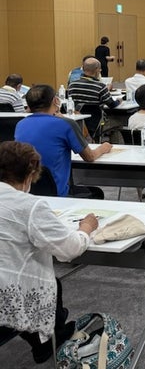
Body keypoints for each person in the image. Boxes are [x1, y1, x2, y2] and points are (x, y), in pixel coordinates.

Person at [0, 141, 98, 364]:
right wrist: (86, 228)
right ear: (31, 174)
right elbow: (70, 249)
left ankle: (41, 335)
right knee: (47, 283)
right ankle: (47, 341)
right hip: (9, 291)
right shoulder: (29, 205)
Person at [15, 84, 112, 197]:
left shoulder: (20, 124)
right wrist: (103, 148)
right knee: (97, 193)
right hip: (59, 194)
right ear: (56, 101)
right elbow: (89, 157)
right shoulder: (66, 124)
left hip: (28, 193)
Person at [67, 57, 121, 136]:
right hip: (95, 123)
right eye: (100, 69)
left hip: (77, 124)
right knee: (118, 123)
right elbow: (112, 105)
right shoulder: (100, 86)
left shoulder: (72, 85)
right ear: (97, 70)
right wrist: (119, 101)